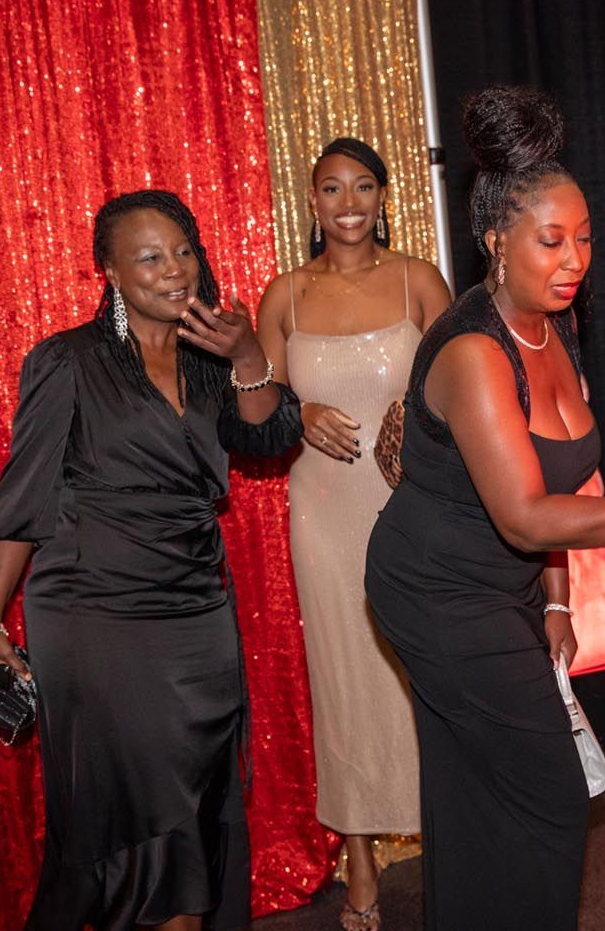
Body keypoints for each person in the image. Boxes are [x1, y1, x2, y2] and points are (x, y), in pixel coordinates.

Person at [364, 86, 605, 931]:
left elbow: (556, 487)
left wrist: (554, 600)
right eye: (551, 241)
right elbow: (526, 516)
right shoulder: (475, 352)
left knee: (472, 791)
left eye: (584, 237)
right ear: (496, 243)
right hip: (434, 589)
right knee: (552, 790)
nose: (574, 259)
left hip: (501, 585)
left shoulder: (556, 322)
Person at [0, 190, 301, 931]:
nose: (174, 270)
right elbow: (24, 497)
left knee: (195, 807)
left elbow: (270, 438)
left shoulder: (210, 358)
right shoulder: (68, 361)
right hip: (96, 613)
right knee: (153, 825)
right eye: (149, 258)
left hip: (198, 611)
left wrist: (248, 355)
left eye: (183, 252)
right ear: (109, 271)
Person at [257, 138, 450, 931]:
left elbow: (462, 384)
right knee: (343, 678)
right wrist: (297, 411)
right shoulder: (285, 295)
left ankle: (451, 835)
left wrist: (417, 414)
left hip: (411, 506)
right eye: (331, 188)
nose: (348, 203)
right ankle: (360, 856)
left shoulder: (418, 280)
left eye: (362, 186)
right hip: (325, 509)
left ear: (382, 196)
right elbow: (257, 407)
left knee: (425, 671)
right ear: (312, 202)